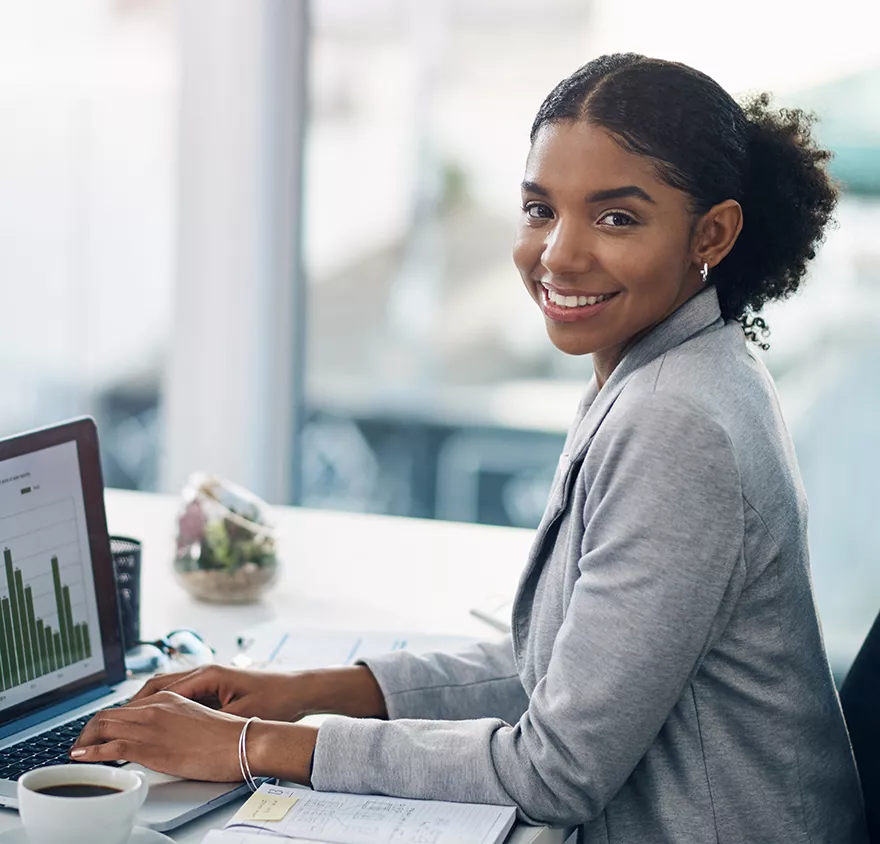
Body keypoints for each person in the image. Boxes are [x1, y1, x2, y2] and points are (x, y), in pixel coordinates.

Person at [71, 54, 869, 842]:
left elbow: (555, 770)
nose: (559, 254)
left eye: (616, 217)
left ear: (713, 233)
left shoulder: (677, 421)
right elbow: (556, 668)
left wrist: (253, 749)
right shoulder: (676, 365)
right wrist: (292, 691)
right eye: (539, 209)